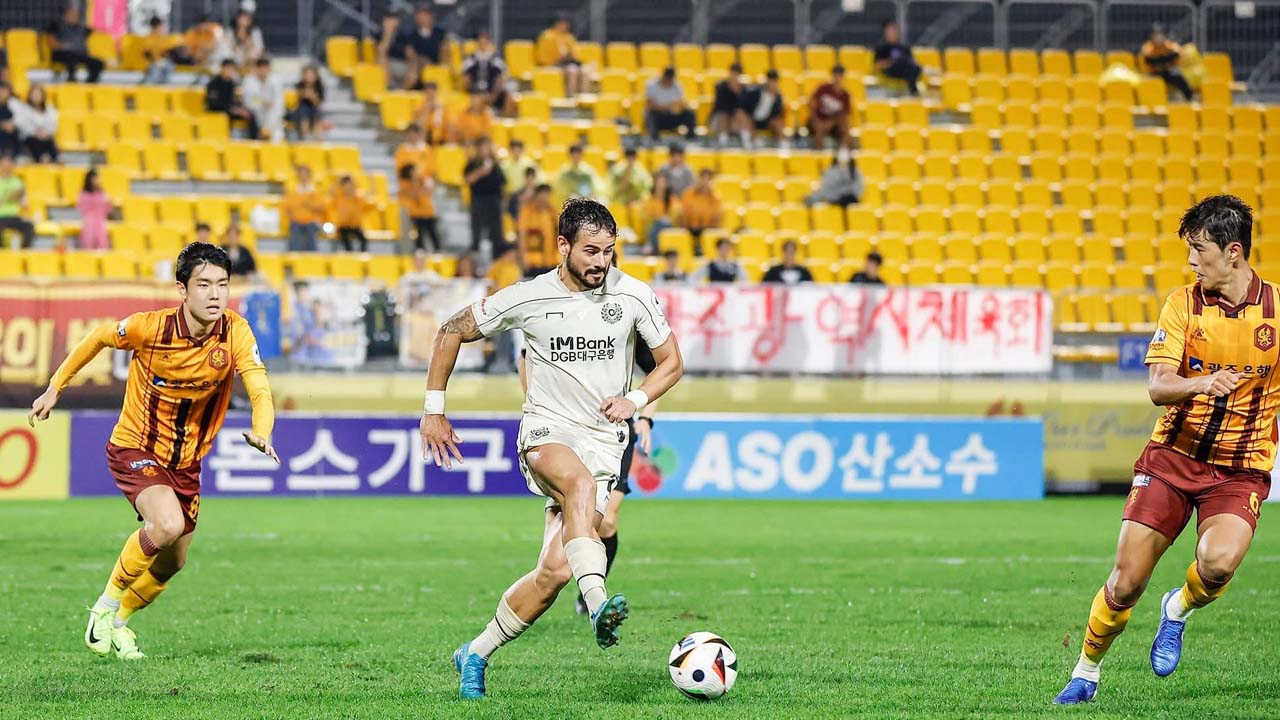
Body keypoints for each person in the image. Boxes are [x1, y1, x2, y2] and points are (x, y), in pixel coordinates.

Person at [419, 197, 684, 700]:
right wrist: (434, 409)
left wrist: (635, 399)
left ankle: (474, 653)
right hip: (548, 431)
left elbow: (671, 361)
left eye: (608, 251)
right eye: (590, 251)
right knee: (577, 484)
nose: (601, 262)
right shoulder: (529, 296)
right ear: (563, 245)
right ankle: (598, 602)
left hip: (604, 441)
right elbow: (450, 330)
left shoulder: (633, 295)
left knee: (554, 572)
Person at [1054, 196, 1276, 705]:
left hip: (1239, 469)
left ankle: (1177, 609)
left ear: (1233, 251)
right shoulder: (1182, 304)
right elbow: (1158, 386)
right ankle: (1086, 672)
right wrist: (1202, 384)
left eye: (1199, 250)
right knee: (1126, 583)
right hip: (1173, 457)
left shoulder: (1277, 311)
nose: (1191, 261)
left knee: (1218, 565)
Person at [28, 242, 277, 661]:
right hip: (136, 445)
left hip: (186, 462)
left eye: (222, 284)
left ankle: (119, 622)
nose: (215, 294)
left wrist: (262, 430)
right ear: (182, 290)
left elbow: (259, 388)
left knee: (172, 563)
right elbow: (99, 337)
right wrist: (56, 386)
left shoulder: (235, 331)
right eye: (204, 285)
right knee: (166, 524)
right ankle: (103, 608)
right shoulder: (150, 328)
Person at [464, 138, 506, 255]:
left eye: (487, 147)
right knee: (477, 229)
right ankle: (475, 252)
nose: (485, 150)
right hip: (478, 199)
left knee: (496, 231)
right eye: (483, 147)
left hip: (494, 200)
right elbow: (468, 179)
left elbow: (502, 183)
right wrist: (482, 172)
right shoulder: (473, 163)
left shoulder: (496, 165)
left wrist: (503, 201)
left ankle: (497, 253)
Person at [46, 4, 104, 84]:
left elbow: (97, 30)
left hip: (78, 54)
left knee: (98, 63)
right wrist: (62, 46)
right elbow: (52, 42)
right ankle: (72, 80)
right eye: (71, 14)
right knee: (71, 58)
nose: (74, 17)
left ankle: (89, 84)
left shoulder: (82, 29)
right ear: (65, 15)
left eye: (76, 15)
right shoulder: (56, 25)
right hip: (61, 53)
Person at [461, 31, 514, 117]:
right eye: (481, 40)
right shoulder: (470, 60)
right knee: (478, 98)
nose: (483, 42)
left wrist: (494, 94)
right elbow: (466, 80)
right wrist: (474, 92)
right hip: (475, 92)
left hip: (492, 92)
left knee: (509, 98)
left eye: (485, 40)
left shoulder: (496, 60)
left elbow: (500, 78)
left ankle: (504, 121)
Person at [734, 69, 786, 150]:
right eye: (771, 81)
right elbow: (743, 107)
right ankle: (747, 143)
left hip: (767, 121)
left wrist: (773, 99)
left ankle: (783, 146)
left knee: (779, 122)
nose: (773, 84)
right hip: (752, 119)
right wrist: (750, 120)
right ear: (767, 81)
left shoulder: (778, 96)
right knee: (742, 115)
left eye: (775, 82)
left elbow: (777, 114)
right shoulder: (754, 92)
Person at [206, 60, 258, 140]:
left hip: (231, 110)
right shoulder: (213, 83)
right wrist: (233, 109)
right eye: (228, 68)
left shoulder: (232, 83)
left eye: (232, 69)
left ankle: (253, 140)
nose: (230, 71)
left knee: (250, 114)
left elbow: (235, 100)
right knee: (228, 116)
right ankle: (227, 139)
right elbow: (213, 104)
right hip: (217, 110)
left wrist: (241, 109)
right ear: (222, 68)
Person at [1141, 25, 1194, 102]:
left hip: (1168, 72)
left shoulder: (1170, 46)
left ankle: (1190, 98)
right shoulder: (1148, 48)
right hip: (1154, 73)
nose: (1158, 38)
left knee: (1179, 77)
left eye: (1160, 35)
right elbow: (1147, 59)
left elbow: (1178, 53)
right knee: (1150, 82)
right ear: (1152, 36)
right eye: (1156, 35)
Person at [402, 3, 448, 90]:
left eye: (425, 15)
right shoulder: (411, 35)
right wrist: (422, 60)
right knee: (414, 67)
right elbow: (409, 53)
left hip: (435, 65)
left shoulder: (440, 33)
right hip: (417, 65)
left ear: (431, 17)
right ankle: (406, 90)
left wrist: (441, 64)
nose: (422, 18)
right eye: (420, 15)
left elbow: (445, 50)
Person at [535, 14, 583, 96]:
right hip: (551, 65)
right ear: (555, 24)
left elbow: (577, 55)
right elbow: (542, 59)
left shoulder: (569, 37)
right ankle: (570, 97)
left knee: (585, 71)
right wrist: (559, 59)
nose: (563, 26)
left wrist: (571, 57)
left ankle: (583, 98)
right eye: (561, 23)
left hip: (567, 64)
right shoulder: (547, 36)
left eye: (565, 24)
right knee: (572, 70)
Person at [645, 67, 696, 141]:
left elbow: (682, 103)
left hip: (673, 116)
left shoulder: (677, 85)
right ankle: (654, 139)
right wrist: (666, 107)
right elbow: (650, 105)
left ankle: (691, 138)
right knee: (650, 113)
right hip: (659, 116)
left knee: (689, 113)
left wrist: (678, 106)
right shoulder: (651, 85)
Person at [517, 183, 558, 275]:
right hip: (533, 262)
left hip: (552, 261)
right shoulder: (527, 212)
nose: (544, 198)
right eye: (542, 194)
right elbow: (522, 236)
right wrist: (523, 258)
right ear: (536, 196)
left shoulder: (553, 212)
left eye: (547, 195)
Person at [242, 57, 285, 141]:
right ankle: (263, 133)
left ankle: (268, 132)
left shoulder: (276, 80)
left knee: (276, 117)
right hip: (256, 115)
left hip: (273, 117)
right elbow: (249, 100)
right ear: (257, 69)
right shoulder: (249, 81)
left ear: (269, 69)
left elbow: (279, 102)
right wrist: (262, 103)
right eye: (261, 68)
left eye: (265, 68)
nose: (263, 71)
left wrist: (269, 104)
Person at [809, 65, 852, 149]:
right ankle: (818, 152)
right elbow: (812, 104)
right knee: (819, 128)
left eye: (840, 76)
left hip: (835, 122)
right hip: (820, 118)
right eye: (835, 75)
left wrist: (832, 122)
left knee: (846, 129)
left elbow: (845, 115)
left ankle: (843, 152)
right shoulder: (823, 88)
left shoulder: (846, 95)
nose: (837, 78)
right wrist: (815, 120)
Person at [874, 20, 922, 95]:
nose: (892, 33)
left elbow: (911, 61)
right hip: (891, 70)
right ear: (885, 33)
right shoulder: (882, 48)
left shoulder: (904, 47)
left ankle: (913, 91)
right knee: (902, 64)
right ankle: (913, 91)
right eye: (890, 31)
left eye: (894, 30)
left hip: (905, 70)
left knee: (912, 67)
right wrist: (890, 62)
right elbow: (877, 64)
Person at [284, 165, 326, 252]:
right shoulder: (292, 191)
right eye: (301, 175)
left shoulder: (317, 191)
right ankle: (295, 255)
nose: (303, 177)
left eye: (305, 175)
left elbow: (322, 208)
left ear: (309, 176)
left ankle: (312, 255)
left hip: (312, 221)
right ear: (298, 176)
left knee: (310, 229)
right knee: (295, 230)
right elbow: (288, 208)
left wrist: (310, 205)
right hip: (297, 221)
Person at [399, 163, 440, 252]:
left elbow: (431, 190)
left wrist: (420, 189)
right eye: (414, 170)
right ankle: (420, 251)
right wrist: (418, 187)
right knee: (418, 234)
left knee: (433, 233)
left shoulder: (424, 179)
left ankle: (437, 251)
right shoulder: (406, 183)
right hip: (416, 213)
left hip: (428, 212)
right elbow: (412, 194)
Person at [14, 84, 59, 163]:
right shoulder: (24, 108)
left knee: (49, 141)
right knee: (34, 141)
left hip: (45, 136)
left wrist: (45, 133)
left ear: (43, 96)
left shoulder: (49, 109)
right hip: (29, 138)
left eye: (38, 94)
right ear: (30, 95)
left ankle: (56, 157)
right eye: (34, 94)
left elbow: (53, 125)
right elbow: (21, 124)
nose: (36, 96)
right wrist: (34, 132)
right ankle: (42, 158)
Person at [679, 169, 722, 246]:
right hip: (690, 230)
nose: (704, 183)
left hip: (708, 231)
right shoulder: (688, 194)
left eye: (708, 180)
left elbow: (716, 220)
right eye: (702, 179)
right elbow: (683, 215)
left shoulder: (715, 198)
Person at [0, 154, 35, 248]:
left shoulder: (18, 182)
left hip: (15, 216)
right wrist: (10, 197)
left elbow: (25, 204)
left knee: (29, 226)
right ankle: (3, 253)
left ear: (12, 166)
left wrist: (21, 200)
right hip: (1, 217)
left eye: (8, 164)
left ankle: (23, 252)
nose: (6, 167)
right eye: (4, 164)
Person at [641, 173, 681, 255]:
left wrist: (665, 219)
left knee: (664, 223)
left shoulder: (672, 199)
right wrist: (659, 219)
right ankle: (654, 248)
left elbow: (675, 214)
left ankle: (651, 246)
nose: (661, 185)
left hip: (669, 227)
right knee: (659, 224)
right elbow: (647, 216)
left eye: (663, 182)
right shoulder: (649, 200)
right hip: (654, 228)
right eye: (659, 183)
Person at [330, 175, 372, 252]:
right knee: (346, 241)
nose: (349, 189)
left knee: (363, 240)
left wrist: (371, 182)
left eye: (351, 186)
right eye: (347, 186)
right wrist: (337, 181)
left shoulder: (359, 198)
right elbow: (331, 193)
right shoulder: (339, 198)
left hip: (356, 226)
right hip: (343, 226)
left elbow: (370, 195)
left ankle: (361, 255)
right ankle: (349, 255)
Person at [710, 64, 745, 146]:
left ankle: (746, 141)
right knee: (724, 116)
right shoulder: (720, 86)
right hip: (718, 120)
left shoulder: (743, 89)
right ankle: (722, 142)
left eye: (737, 74)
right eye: (733, 73)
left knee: (742, 115)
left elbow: (743, 107)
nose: (734, 76)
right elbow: (720, 106)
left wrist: (738, 94)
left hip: (735, 121)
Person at [77, 168, 112, 250]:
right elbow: (82, 207)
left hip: (100, 222)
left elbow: (107, 207)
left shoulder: (101, 193)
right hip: (89, 222)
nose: (96, 180)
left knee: (102, 245)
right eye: (94, 178)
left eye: (97, 178)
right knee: (88, 244)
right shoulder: (83, 194)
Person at [292, 64, 327, 140]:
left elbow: (318, 103)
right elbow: (296, 101)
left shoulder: (319, 86)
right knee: (303, 113)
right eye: (307, 74)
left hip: (314, 109)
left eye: (311, 74)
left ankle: (318, 137)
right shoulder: (300, 85)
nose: (309, 77)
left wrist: (312, 97)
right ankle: (305, 135)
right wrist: (302, 94)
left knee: (318, 114)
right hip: (302, 109)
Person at [141, 16, 176, 84]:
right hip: (150, 63)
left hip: (160, 63)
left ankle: (163, 86)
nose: (163, 28)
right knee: (155, 70)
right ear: (157, 27)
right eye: (161, 26)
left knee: (169, 66)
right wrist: (156, 61)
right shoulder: (149, 38)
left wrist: (163, 59)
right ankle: (149, 86)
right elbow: (147, 54)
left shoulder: (162, 38)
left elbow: (166, 52)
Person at [375, 11, 405, 82]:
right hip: (383, 64)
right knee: (382, 59)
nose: (390, 22)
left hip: (401, 63)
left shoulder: (403, 36)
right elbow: (381, 52)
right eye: (388, 19)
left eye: (393, 19)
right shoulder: (378, 35)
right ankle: (389, 86)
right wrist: (388, 34)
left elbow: (408, 55)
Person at [0, 82, 21, 159]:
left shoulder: (14, 103)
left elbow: (20, 118)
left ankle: (10, 155)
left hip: (11, 130)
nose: (2, 93)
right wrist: (2, 125)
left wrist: (12, 124)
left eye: (5, 91)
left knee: (12, 132)